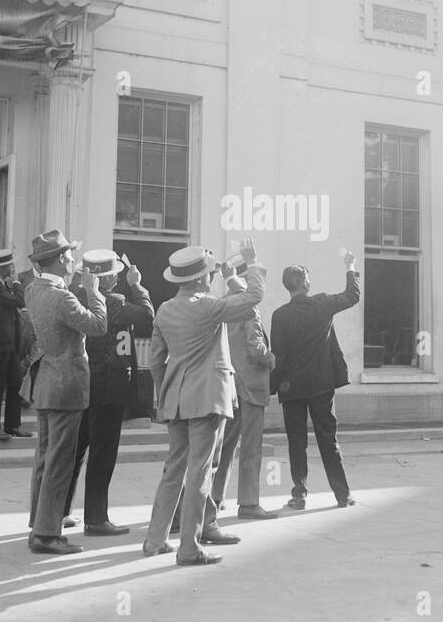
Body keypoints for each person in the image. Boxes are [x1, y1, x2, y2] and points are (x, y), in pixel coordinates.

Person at [142, 237, 264, 566]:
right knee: (200, 472)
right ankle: (189, 548)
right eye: (209, 273)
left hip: (176, 399)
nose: (212, 277)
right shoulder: (208, 307)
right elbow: (253, 298)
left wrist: (166, 393)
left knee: (174, 470)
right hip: (208, 398)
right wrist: (248, 265)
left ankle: (154, 540)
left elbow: (156, 362)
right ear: (199, 278)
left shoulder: (166, 310)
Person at [23, 229, 106, 556]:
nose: (73, 263)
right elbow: (98, 326)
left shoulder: (34, 290)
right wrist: (93, 292)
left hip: (45, 383)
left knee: (45, 457)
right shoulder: (63, 297)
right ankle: (47, 534)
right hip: (66, 385)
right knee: (60, 461)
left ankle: (39, 522)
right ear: (58, 260)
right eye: (69, 258)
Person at [63, 249, 154, 536]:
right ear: (108, 278)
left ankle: (62, 510)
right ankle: (96, 518)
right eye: (114, 273)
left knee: (77, 449)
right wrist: (137, 284)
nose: (117, 276)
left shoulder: (76, 296)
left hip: (84, 381)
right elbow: (147, 315)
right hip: (110, 384)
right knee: (103, 453)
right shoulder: (113, 302)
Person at [269, 249, 360, 509]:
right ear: (306, 283)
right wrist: (350, 266)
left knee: (296, 442)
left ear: (287, 287)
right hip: (322, 385)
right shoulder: (322, 303)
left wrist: (272, 388)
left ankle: (299, 495)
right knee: (328, 439)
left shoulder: (280, 315)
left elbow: (279, 356)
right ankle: (343, 495)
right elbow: (352, 296)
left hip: (292, 388)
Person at [214, 258, 280, 521]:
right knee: (251, 446)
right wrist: (271, 359)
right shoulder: (249, 308)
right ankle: (250, 502)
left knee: (224, 447)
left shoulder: (222, 303)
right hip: (250, 386)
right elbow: (256, 347)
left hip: (228, 385)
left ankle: (214, 498)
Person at [0, 248, 32, 441]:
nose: (13, 268)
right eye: (10, 264)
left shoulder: (2, 286)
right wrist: (18, 283)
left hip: (10, 345)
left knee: (15, 385)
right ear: (2, 267)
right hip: (0, 344)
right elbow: (20, 301)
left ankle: (12, 425)